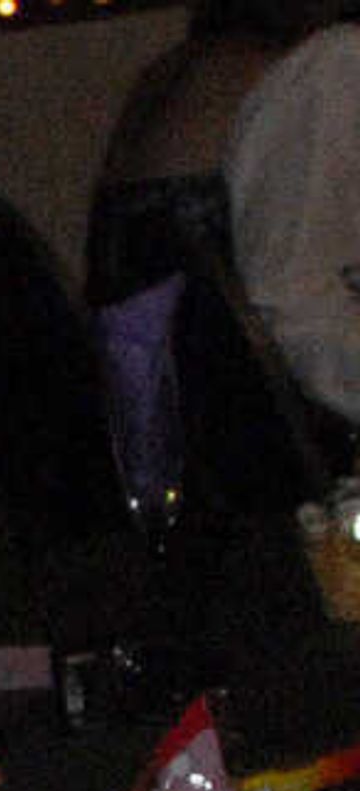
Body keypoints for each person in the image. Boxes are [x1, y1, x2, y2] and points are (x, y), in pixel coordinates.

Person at [88, 0, 359, 506]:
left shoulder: (187, 69)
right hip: (243, 446)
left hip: (162, 429)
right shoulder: (322, 70)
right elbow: (296, 306)